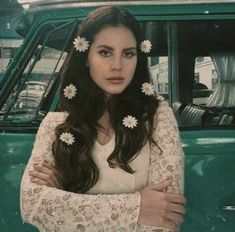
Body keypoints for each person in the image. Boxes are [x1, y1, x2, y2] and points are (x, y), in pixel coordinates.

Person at [20, 6, 186, 232]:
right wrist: (137, 207)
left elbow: (165, 218)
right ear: (86, 56)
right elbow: (34, 206)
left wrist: (65, 200)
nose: (117, 65)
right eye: (105, 52)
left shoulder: (157, 118)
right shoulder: (55, 125)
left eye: (128, 53)